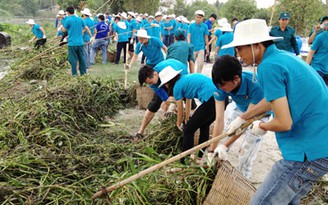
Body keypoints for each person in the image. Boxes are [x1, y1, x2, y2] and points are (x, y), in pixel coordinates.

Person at [221, 18, 328, 205]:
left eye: (239, 48)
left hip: (308, 150)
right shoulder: (282, 57)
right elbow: (273, 101)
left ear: (256, 46)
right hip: (321, 145)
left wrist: (262, 126)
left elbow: (284, 123)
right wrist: (244, 118)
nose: (237, 54)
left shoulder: (268, 67)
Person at [209, 55, 271, 179]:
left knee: (245, 155)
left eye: (223, 85)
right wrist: (212, 150)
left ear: (236, 79)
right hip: (240, 109)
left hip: (258, 116)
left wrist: (225, 145)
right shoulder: (220, 87)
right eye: (218, 86)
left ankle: (242, 182)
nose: (221, 89)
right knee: (222, 142)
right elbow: (219, 120)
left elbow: (247, 120)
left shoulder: (256, 86)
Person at [134, 59, 189, 139]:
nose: (150, 85)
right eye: (149, 83)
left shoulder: (170, 71)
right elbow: (166, 99)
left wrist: (176, 107)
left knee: (187, 101)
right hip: (163, 81)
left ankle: (188, 125)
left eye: (151, 82)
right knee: (154, 104)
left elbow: (175, 95)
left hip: (179, 75)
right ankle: (140, 131)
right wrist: (170, 108)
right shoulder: (153, 83)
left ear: (155, 74)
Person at [62, 6, 92, 76]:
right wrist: (91, 36)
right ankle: (83, 73)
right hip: (80, 43)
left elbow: (64, 30)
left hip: (72, 43)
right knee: (81, 58)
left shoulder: (68, 20)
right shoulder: (80, 19)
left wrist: (61, 27)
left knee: (73, 59)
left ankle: (74, 74)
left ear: (67, 12)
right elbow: (87, 28)